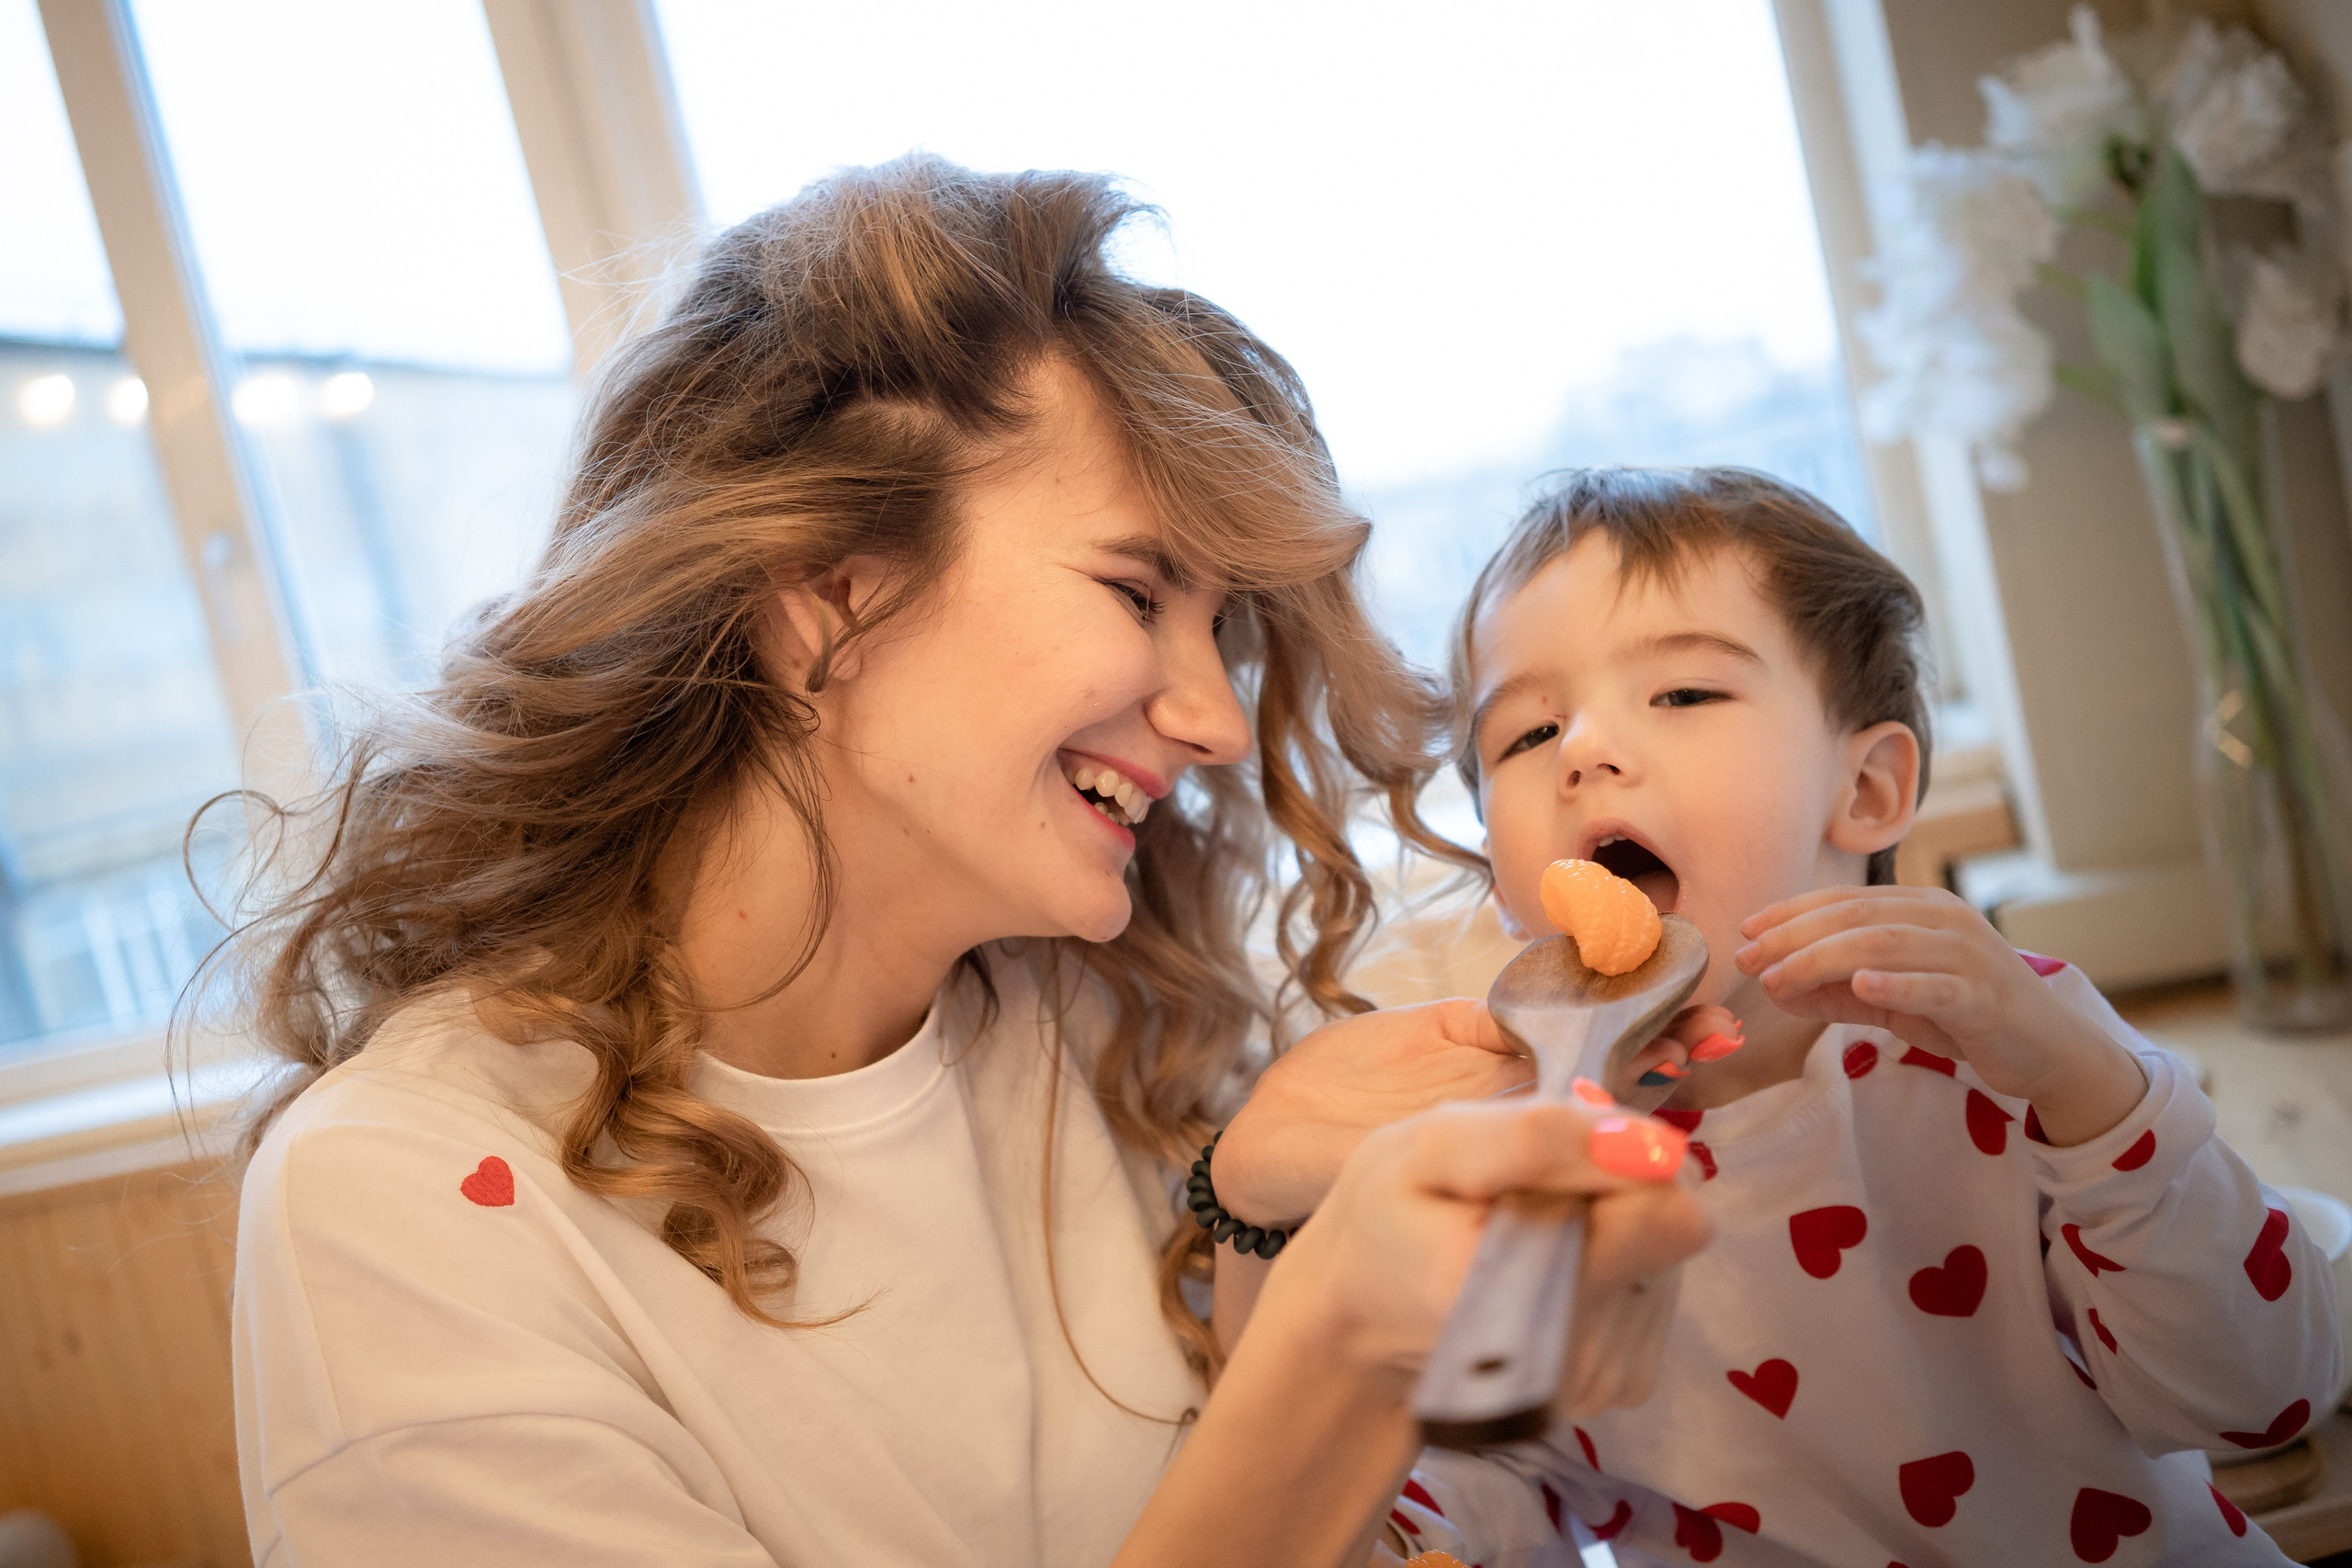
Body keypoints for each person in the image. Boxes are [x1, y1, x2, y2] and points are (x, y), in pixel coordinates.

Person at [211, 159, 1710, 1568]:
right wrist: (1333, 1353)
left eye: (1222, 636)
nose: (1209, 722)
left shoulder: (1107, 1020)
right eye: (1136, 590)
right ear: (829, 587)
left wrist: (1258, 1219)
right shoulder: (402, 1207)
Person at [1216, 468, 2340, 1564]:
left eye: (1682, 693)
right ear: (1505, 881)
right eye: (1524, 735)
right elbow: (1466, 1511)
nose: (1585, 751)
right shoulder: (1525, 1172)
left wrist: (2090, 1095)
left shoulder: (2016, 1062)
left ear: (1864, 792)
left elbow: (2261, 1397)